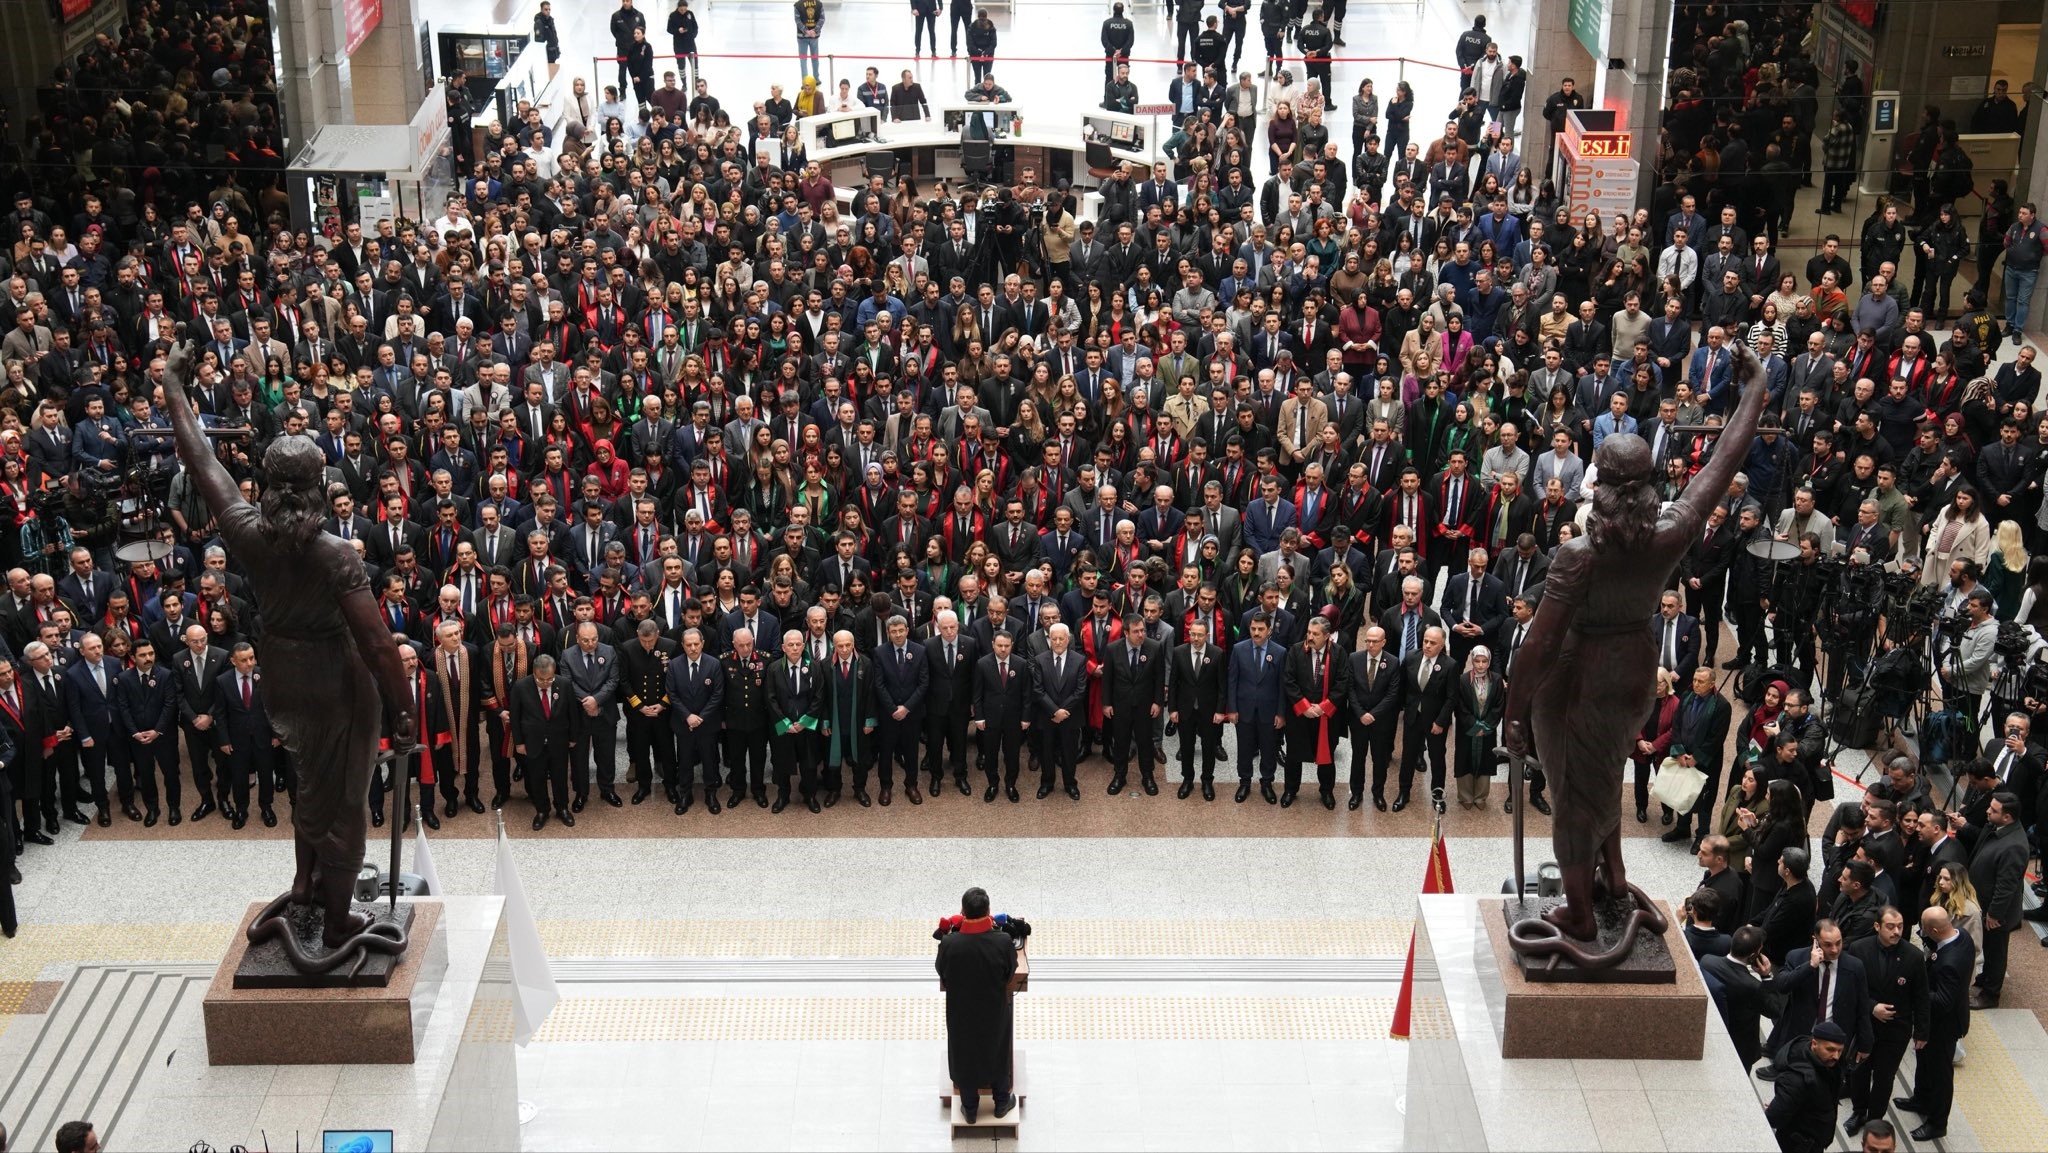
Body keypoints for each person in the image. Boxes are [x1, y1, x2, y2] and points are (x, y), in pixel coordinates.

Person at [1843, 906, 1927, 1139]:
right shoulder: (1860, 949)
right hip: (1865, 1024)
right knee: (1859, 1071)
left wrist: (1922, 1031)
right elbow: (1850, 987)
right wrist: (1872, 1007)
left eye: (1900, 926)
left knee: (1884, 1076)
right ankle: (1859, 1112)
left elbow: (1921, 996)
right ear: (1877, 927)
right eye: (1891, 926)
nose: (1897, 931)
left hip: (1896, 1029)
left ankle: (1874, 1120)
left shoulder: (1913, 956)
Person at [935, 887, 1018, 1123]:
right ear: (989, 911)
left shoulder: (950, 943)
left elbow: (942, 972)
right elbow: (1010, 971)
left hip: (961, 1013)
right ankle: (1001, 1103)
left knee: (965, 1051)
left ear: (962, 912)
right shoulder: (1003, 942)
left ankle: (970, 1108)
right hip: (993, 1011)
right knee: (998, 1047)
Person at [1965, 791, 2026, 1007]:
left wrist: (1995, 914)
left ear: (2007, 817)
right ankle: (1986, 977)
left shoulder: (2014, 846)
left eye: (1993, 810)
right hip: (1983, 903)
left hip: (1996, 912)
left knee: (1996, 950)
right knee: (1989, 947)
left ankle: (1991, 994)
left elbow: (2006, 886)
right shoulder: (1995, 828)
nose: (1987, 811)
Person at [1227, 612, 1288, 803]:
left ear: (1269, 631)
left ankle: (1267, 783)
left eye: (1260, 629)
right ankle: (1244, 782)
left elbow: (1282, 686)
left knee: (1268, 749)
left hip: (1269, 712)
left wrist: (1280, 713)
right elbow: (1232, 681)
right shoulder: (1239, 649)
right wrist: (1232, 709)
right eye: (1253, 628)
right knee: (1244, 748)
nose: (1256, 632)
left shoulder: (1280, 652)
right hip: (1244, 710)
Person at [1765, 1019, 1849, 1153]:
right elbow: (1774, 1117)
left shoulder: (1828, 1063)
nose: (1836, 1056)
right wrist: (1780, 1106)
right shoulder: (1797, 1079)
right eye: (1831, 1050)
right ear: (1814, 1044)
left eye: (1840, 1051)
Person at [511, 654, 574, 830]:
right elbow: (515, 718)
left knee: (560, 777)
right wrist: (519, 743)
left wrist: (573, 737)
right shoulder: (521, 687)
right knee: (536, 778)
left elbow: (572, 713)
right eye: (541, 679)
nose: (546, 683)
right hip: (533, 742)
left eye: (549, 679)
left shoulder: (564, 684)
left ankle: (562, 808)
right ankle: (542, 811)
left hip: (559, 741)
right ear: (534, 673)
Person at [792, 0, 825, 81]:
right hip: (814, 37)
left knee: (803, 59)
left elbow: (797, 20)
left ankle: (805, 81)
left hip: (801, 37)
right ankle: (816, 79)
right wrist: (814, 31)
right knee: (815, 59)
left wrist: (806, 31)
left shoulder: (798, 4)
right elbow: (822, 19)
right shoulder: (819, 4)